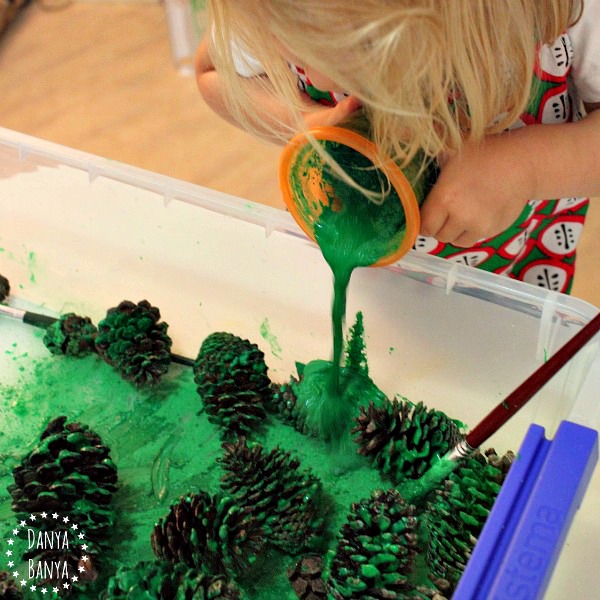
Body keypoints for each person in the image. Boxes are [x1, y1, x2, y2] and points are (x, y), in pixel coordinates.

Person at [195, 0, 600, 294]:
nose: (316, 74)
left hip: (507, 286)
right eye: (295, 52)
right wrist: (305, 120)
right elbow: (214, 73)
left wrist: (526, 168)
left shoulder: (568, 16)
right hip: (360, 282)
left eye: (363, 58)